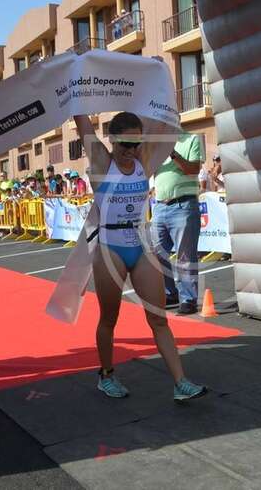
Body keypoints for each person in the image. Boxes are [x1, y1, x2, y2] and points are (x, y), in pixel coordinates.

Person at [72, 110, 206, 401]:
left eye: (136, 145)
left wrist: (160, 84)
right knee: (109, 318)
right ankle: (106, 375)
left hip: (139, 243)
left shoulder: (143, 159)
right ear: (111, 139)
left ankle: (180, 382)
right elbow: (81, 121)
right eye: (124, 145)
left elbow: (167, 125)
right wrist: (76, 76)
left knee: (158, 319)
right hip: (110, 245)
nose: (130, 151)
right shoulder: (100, 159)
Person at [152, 131, 203, 314]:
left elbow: (193, 169)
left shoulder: (191, 140)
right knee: (157, 254)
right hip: (159, 206)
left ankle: (188, 298)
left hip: (183, 204)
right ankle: (169, 293)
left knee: (185, 256)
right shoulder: (156, 144)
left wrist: (171, 152)